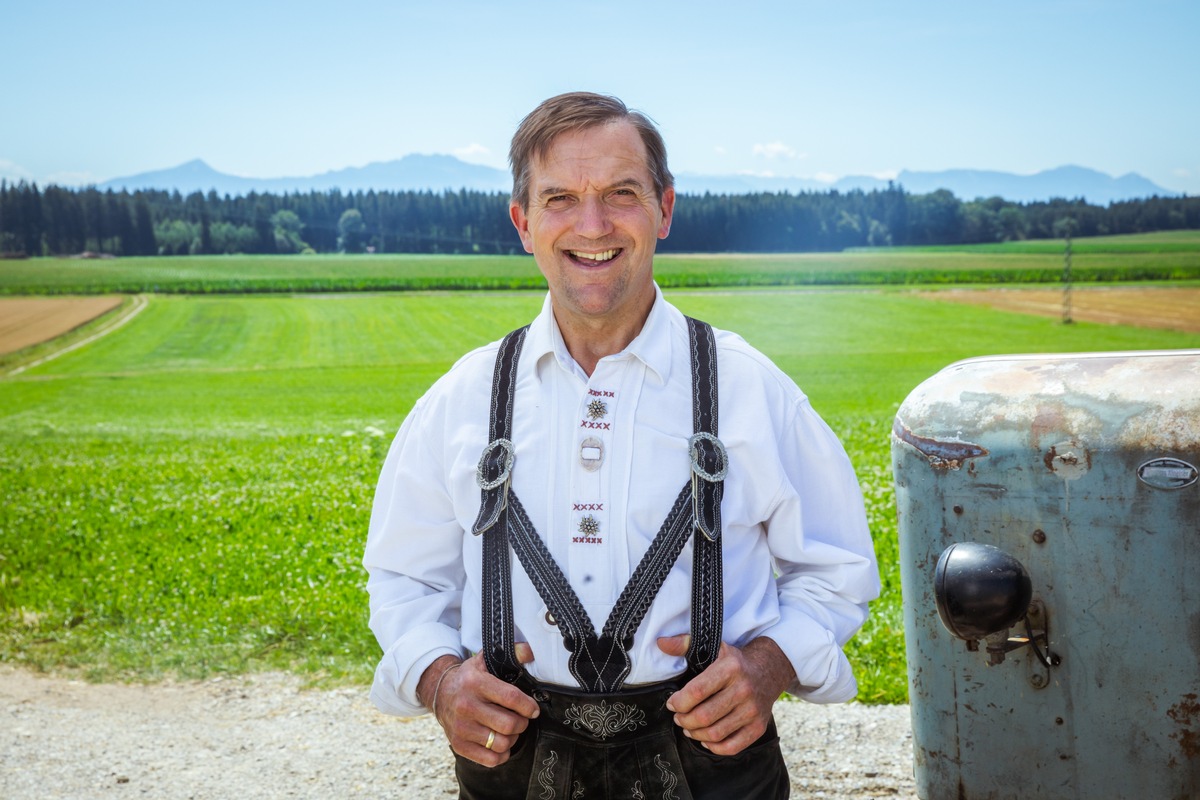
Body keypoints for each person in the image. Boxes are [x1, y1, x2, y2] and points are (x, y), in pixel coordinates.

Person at [364, 91, 880, 800]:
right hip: (511, 770)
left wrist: (770, 665)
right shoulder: (463, 398)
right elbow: (403, 581)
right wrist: (440, 679)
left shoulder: (749, 388)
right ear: (524, 223)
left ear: (664, 209)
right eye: (560, 199)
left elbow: (838, 565)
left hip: (715, 771)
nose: (592, 224)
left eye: (621, 194)